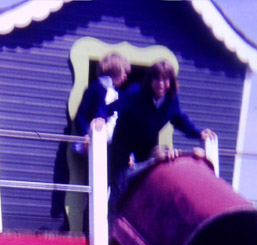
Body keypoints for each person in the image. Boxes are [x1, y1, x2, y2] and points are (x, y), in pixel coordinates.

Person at [108, 59, 216, 199]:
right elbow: (113, 107)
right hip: (123, 141)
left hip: (146, 143)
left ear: (171, 82)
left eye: (165, 79)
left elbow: (180, 119)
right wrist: (99, 118)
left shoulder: (171, 101)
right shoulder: (136, 92)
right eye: (156, 78)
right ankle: (114, 211)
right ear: (150, 80)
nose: (160, 83)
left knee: (149, 177)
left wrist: (198, 133)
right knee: (118, 183)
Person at [65, 52, 131, 232]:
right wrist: (86, 135)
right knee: (99, 187)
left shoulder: (120, 95)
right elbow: (81, 115)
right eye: (124, 72)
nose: (126, 76)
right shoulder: (95, 89)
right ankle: (92, 229)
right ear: (115, 69)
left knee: (117, 188)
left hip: (117, 148)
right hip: (99, 145)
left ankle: (112, 230)